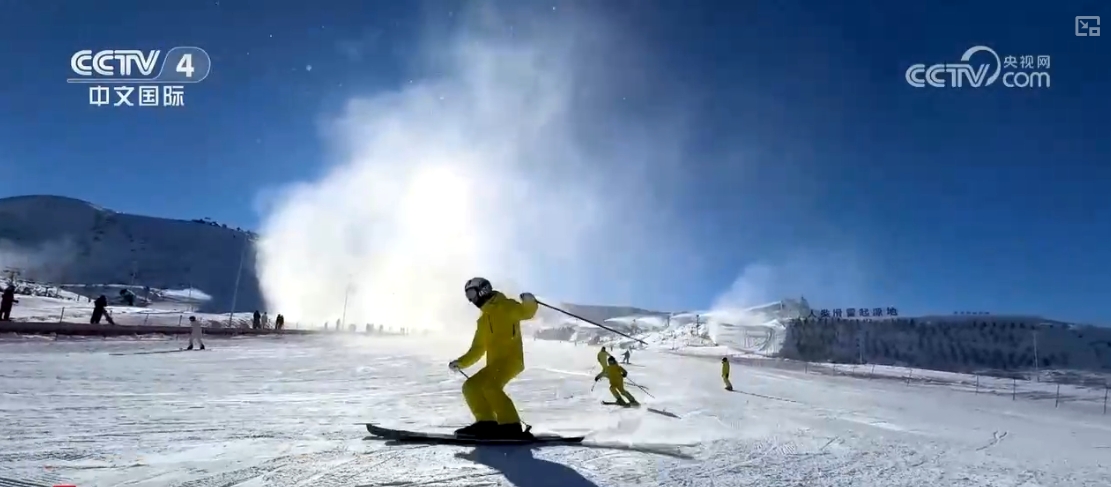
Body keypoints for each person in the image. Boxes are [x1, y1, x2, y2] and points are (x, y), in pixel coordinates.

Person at [448, 277, 538, 439]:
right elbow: (478, 349)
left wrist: (529, 302)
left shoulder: (506, 306)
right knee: (471, 386)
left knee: (490, 386)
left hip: (511, 360)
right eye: (468, 296)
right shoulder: (483, 320)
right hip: (494, 364)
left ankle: (511, 426)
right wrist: (461, 362)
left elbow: (526, 312)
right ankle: (486, 423)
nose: (471, 299)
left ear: (482, 290)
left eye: (471, 294)